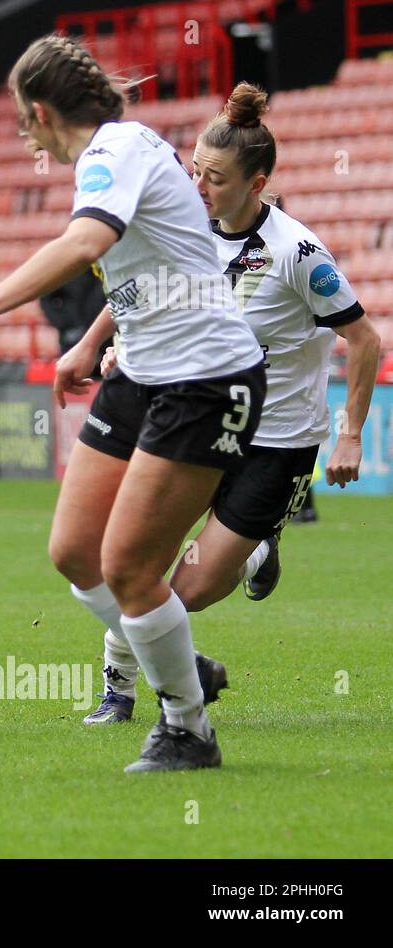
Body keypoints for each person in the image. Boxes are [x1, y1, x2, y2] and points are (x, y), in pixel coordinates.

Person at [0, 35, 268, 771]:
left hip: (204, 378)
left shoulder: (112, 152)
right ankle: (179, 662)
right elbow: (150, 259)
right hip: (141, 372)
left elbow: (86, 242)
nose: (24, 133)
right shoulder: (123, 150)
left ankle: (187, 729)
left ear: (41, 112)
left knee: (131, 568)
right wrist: (89, 342)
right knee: (75, 552)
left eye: (23, 120)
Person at [78, 84, 381, 725]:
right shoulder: (187, 234)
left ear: (257, 182)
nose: (199, 188)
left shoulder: (298, 254)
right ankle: (118, 692)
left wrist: (351, 432)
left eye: (213, 178)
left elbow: (363, 338)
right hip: (206, 418)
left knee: (186, 593)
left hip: (277, 442)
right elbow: (141, 290)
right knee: (142, 563)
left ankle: (253, 545)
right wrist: (104, 346)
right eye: (193, 172)